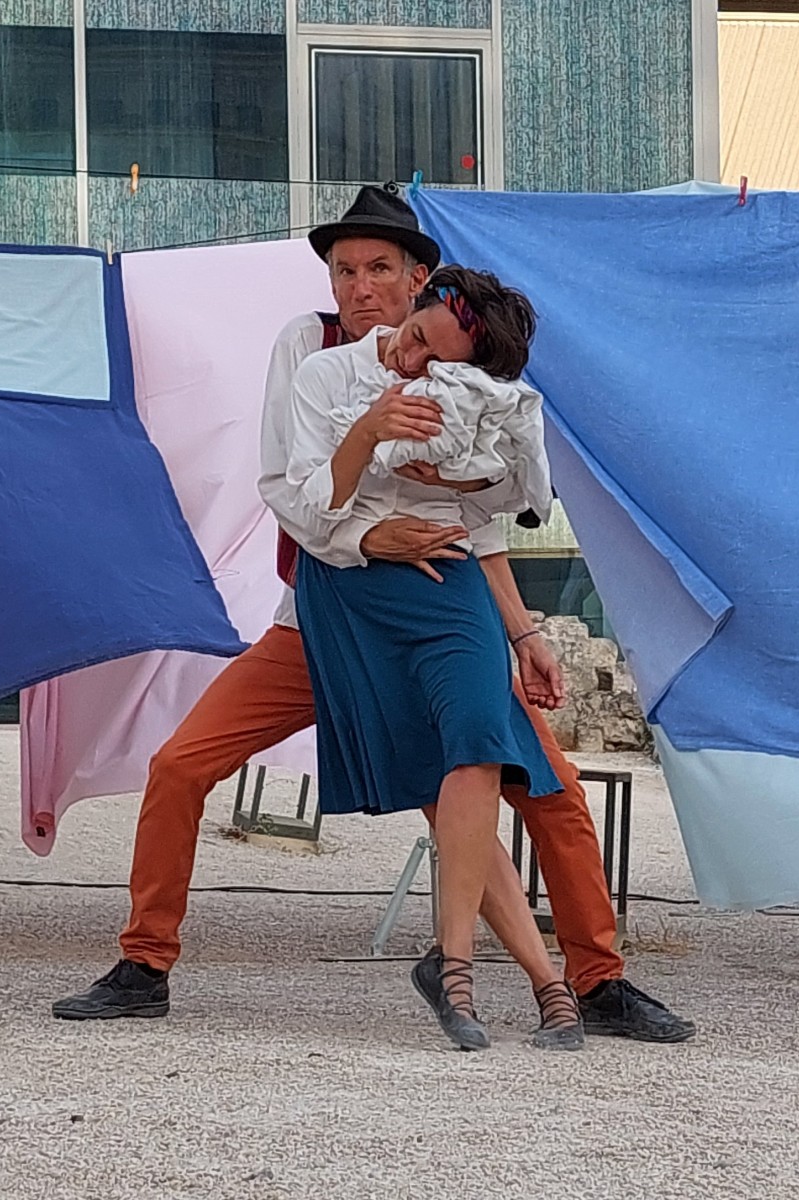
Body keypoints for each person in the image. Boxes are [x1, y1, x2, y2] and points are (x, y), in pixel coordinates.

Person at [52, 186, 694, 1046]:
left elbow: (480, 524)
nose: (359, 286)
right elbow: (284, 485)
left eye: (379, 269)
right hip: (317, 623)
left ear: (420, 280)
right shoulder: (311, 348)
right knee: (180, 765)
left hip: (429, 621)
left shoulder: (466, 372)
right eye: (344, 269)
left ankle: (596, 981)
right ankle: (145, 963)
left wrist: (524, 631)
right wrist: (368, 534)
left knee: (547, 792)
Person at [275, 264, 586, 1050]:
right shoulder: (325, 374)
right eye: (415, 337)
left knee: (479, 746)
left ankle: (455, 968)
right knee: (439, 786)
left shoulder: (468, 395)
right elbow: (309, 505)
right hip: (356, 591)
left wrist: (524, 632)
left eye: (436, 358)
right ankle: (541, 980)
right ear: (414, 303)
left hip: (450, 582)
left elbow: (494, 515)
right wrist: (369, 432)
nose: (413, 360)